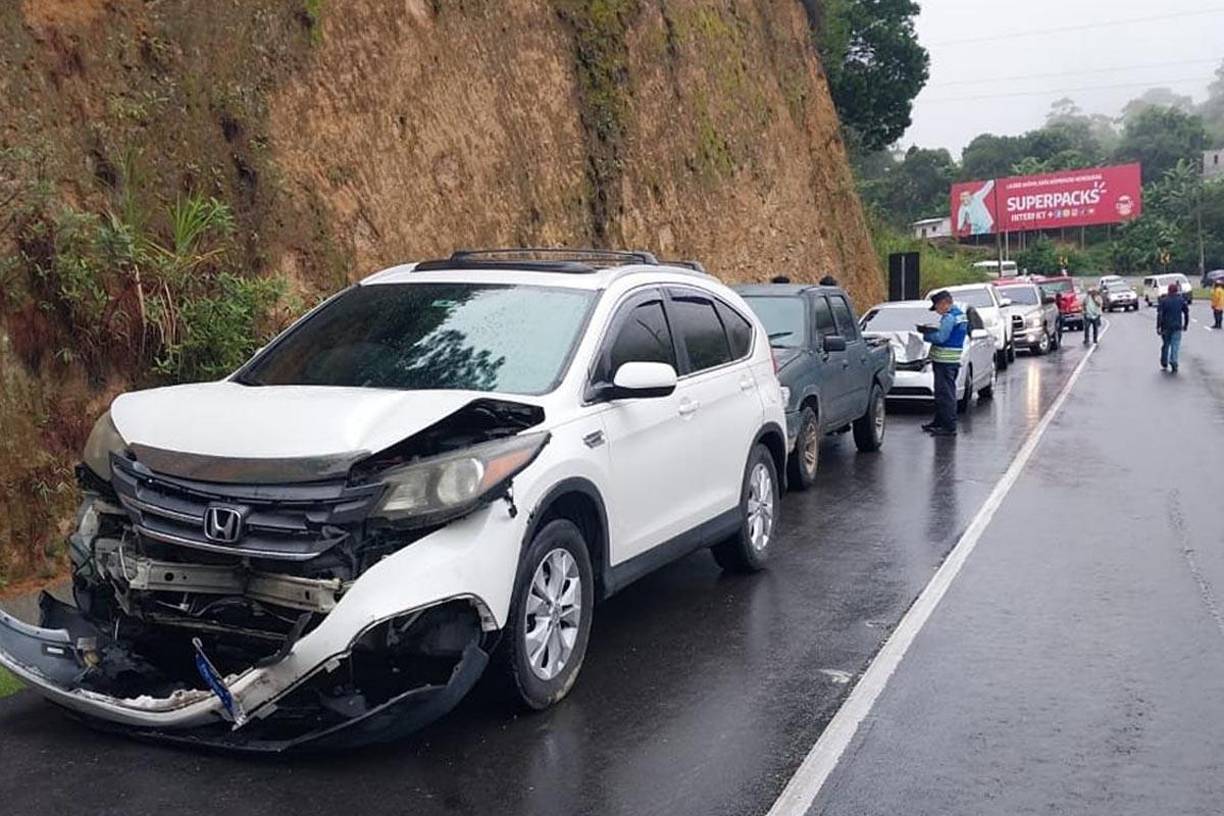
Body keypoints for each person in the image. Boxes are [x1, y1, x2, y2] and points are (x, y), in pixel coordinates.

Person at [919, 290, 968, 437]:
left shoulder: (949, 317)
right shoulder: (961, 315)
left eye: (937, 307)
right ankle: (939, 421)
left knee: (945, 394)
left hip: (944, 360)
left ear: (944, 303)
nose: (938, 312)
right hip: (952, 359)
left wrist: (925, 334)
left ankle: (948, 426)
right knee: (943, 392)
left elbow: (941, 337)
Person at [1156, 282, 1190, 372]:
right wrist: (1186, 324)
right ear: (1176, 291)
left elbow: (1160, 314)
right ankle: (1173, 361)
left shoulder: (1164, 301)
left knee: (1166, 344)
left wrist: (1158, 326)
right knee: (1175, 344)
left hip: (1165, 326)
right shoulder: (1180, 300)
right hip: (1177, 326)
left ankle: (1164, 361)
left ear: (1168, 291)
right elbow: (1186, 313)